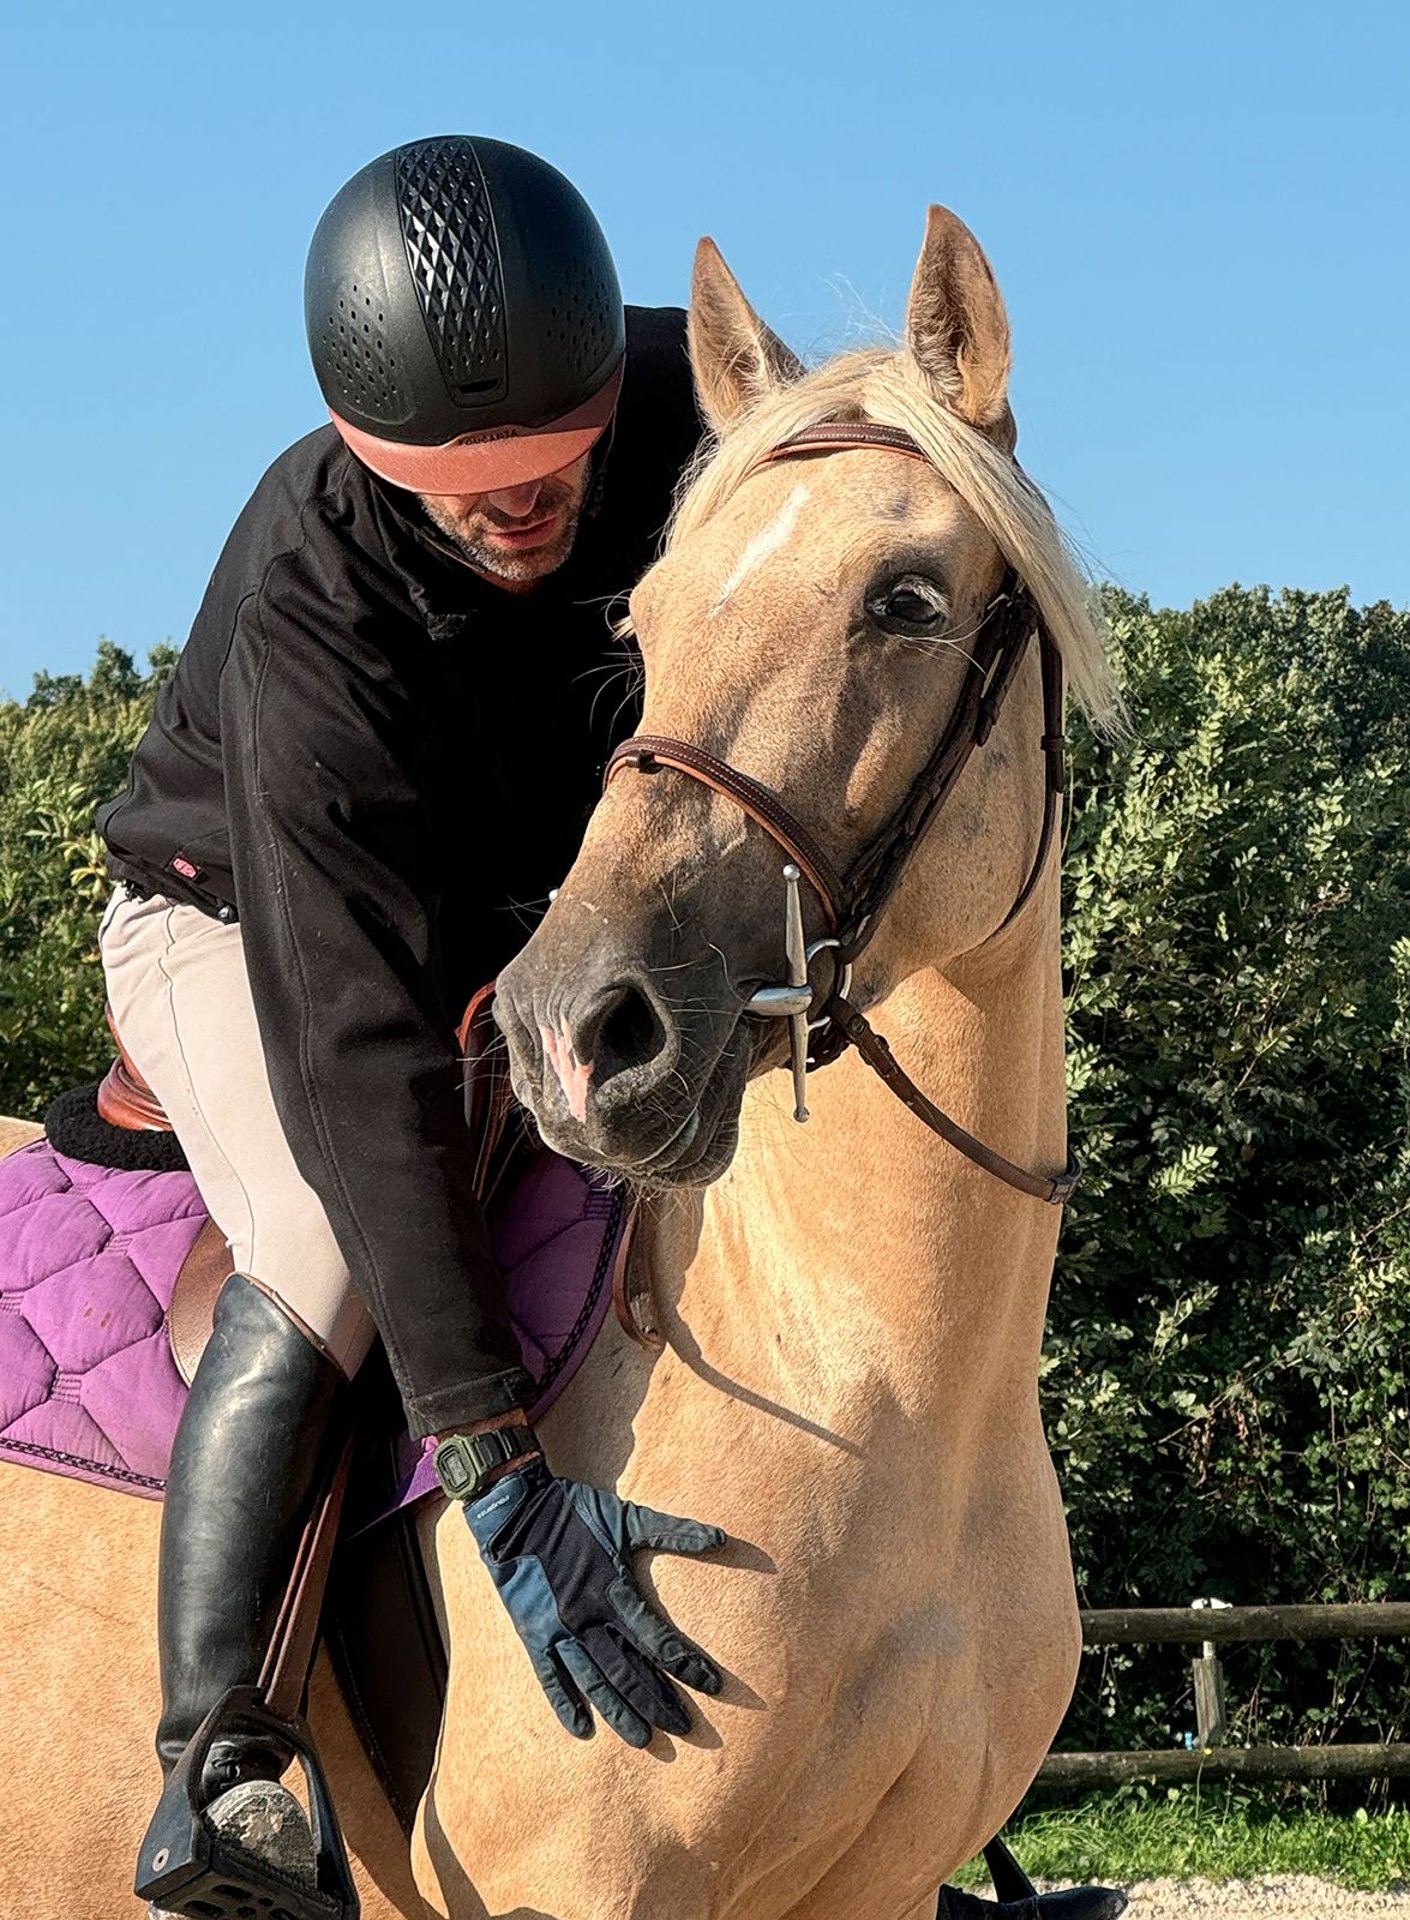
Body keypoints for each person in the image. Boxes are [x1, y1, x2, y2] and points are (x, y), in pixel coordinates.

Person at [97, 134, 726, 1915]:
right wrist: (495, 1456)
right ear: (368, 446)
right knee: (328, 1232)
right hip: (245, 922)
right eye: (466, 487)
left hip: (524, 921)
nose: (522, 513)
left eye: (556, 463)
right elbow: (359, 1045)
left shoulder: (698, 406)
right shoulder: (312, 595)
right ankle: (220, 1771)